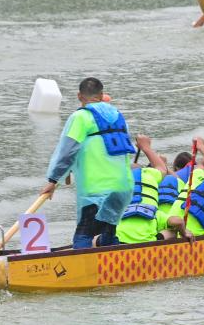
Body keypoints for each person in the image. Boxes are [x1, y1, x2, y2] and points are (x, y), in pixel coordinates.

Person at [41, 77, 135, 249]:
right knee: (108, 232)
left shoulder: (81, 117)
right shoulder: (118, 116)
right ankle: (113, 261)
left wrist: (53, 180)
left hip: (96, 190)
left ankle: (80, 264)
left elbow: (67, 151)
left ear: (79, 96)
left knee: (84, 234)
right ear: (102, 95)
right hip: (123, 187)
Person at [97, 134, 168, 246]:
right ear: (144, 171)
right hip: (148, 242)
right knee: (170, 231)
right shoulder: (149, 176)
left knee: (94, 238)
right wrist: (146, 147)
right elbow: (162, 168)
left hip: (117, 240)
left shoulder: (116, 181)